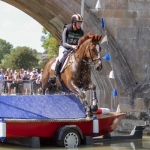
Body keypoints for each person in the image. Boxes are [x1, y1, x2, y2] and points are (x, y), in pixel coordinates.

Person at [50, 14, 84, 84]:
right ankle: (55, 76)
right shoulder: (67, 29)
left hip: (74, 49)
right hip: (64, 47)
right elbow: (64, 43)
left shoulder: (81, 32)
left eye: (80, 22)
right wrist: (72, 46)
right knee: (61, 58)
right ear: (74, 23)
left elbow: (80, 43)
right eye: (78, 22)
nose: (80, 24)